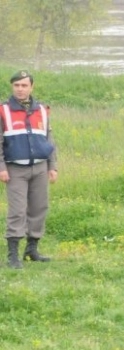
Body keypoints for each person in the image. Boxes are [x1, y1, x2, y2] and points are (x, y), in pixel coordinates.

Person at [0, 70, 58, 269]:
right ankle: (13, 255)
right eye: (16, 85)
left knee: (39, 208)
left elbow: (49, 140)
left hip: (40, 168)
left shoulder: (42, 110)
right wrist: (1, 168)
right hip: (15, 170)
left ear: (31, 87)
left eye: (24, 85)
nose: (20, 89)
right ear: (12, 87)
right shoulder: (3, 110)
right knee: (17, 211)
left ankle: (31, 250)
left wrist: (53, 166)